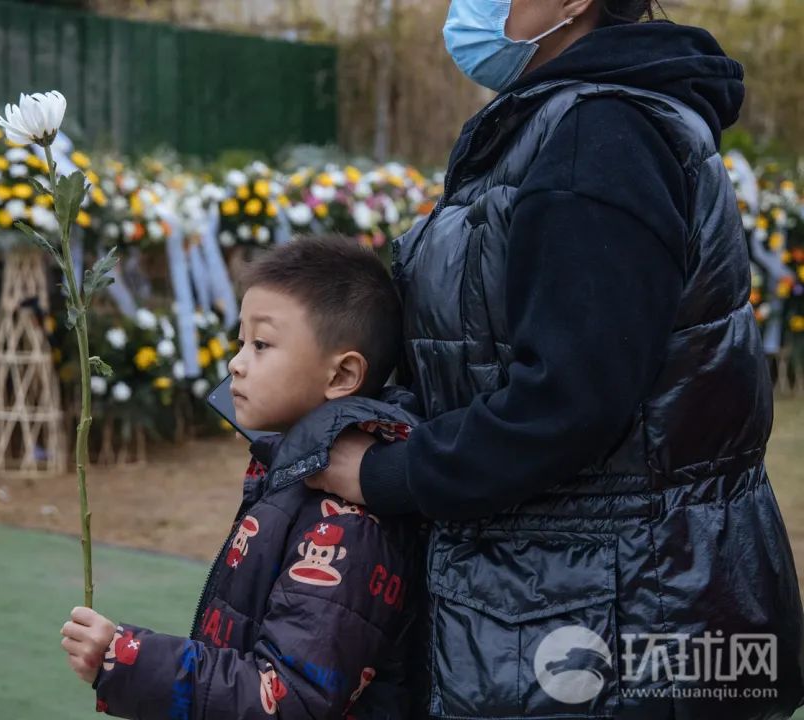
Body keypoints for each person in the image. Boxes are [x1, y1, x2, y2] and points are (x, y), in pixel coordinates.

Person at [309, 1, 804, 717]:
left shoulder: (602, 135)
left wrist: (387, 473)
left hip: (612, 604)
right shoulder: (564, 121)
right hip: (594, 585)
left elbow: (569, 399)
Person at [59, 237, 425, 719]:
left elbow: (288, 698)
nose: (236, 362)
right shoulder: (295, 478)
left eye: (261, 344)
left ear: (341, 376)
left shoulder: (347, 524)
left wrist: (127, 659)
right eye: (240, 342)